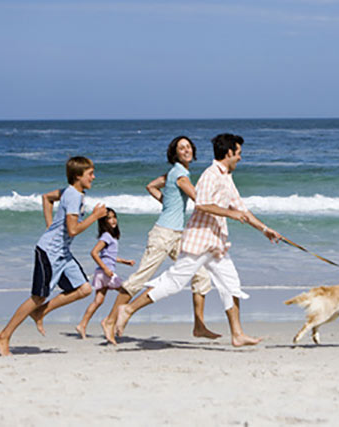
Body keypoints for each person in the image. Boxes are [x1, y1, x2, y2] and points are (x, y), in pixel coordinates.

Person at [114, 133, 281, 347]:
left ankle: (237, 334)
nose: (240, 157)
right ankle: (128, 309)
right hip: (200, 241)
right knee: (174, 282)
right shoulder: (210, 174)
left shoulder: (226, 177)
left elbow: (242, 210)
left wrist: (265, 229)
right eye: (238, 153)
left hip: (216, 243)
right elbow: (201, 204)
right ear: (229, 153)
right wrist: (229, 214)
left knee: (231, 284)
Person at [101, 136, 219, 344]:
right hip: (163, 235)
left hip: (177, 236)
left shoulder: (173, 172)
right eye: (181, 148)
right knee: (139, 279)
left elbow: (150, 186)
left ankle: (199, 325)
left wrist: (168, 204)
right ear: (174, 153)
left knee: (201, 275)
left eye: (189, 147)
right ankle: (110, 320)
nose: (186, 150)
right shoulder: (180, 174)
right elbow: (198, 200)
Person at [0, 156, 107, 356]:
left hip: (63, 254)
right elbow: (73, 230)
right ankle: (4, 335)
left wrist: (50, 226)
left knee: (84, 289)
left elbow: (46, 198)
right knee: (38, 297)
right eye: (90, 174)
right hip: (49, 252)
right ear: (77, 176)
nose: (94, 177)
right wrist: (94, 217)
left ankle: (41, 312)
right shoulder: (72, 195)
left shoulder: (70, 192)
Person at [75, 208, 135, 339]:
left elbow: (108, 256)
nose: (113, 220)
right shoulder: (107, 236)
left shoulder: (111, 236)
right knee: (126, 292)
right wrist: (106, 269)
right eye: (109, 218)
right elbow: (94, 252)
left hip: (101, 273)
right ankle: (114, 321)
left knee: (98, 301)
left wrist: (124, 261)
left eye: (114, 217)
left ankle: (82, 324)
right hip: (106, 273)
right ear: (103, 222)